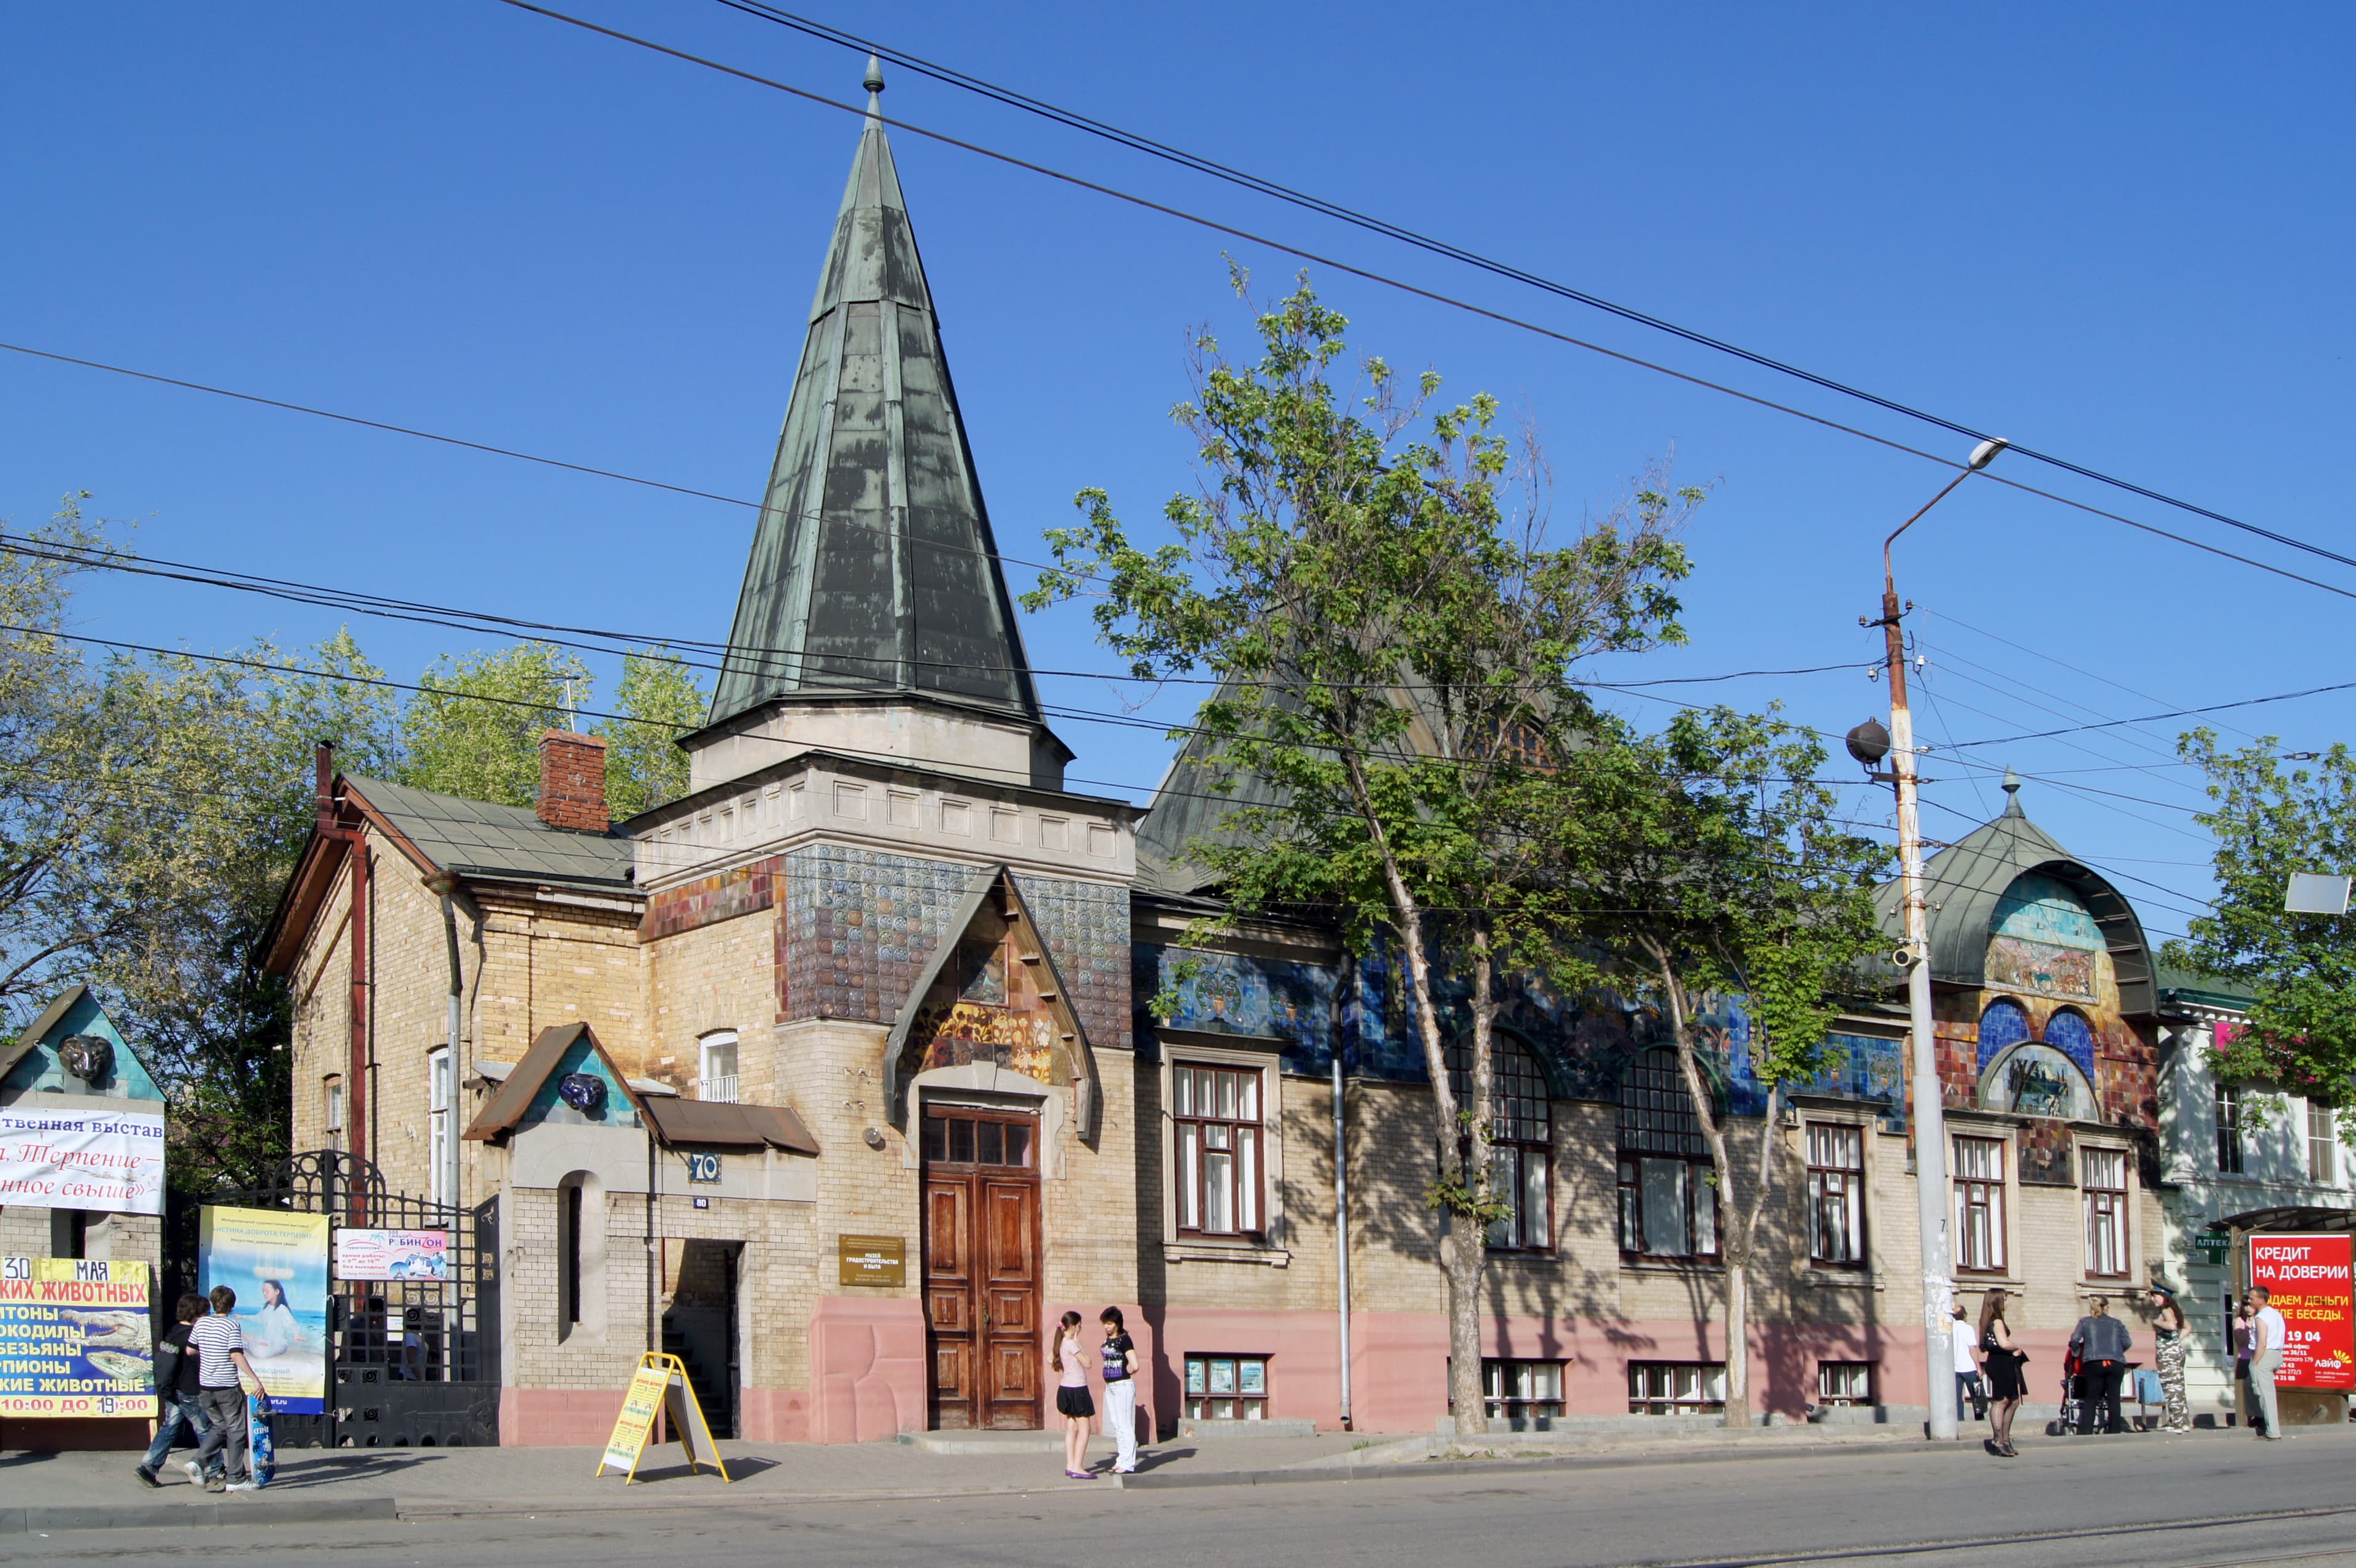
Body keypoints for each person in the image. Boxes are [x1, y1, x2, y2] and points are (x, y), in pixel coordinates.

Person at [134, 1294, 213, 1488]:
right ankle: (217, 1468)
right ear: (196, 1314)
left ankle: (149, 1467)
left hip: (173, 1390)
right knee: (205, 1429)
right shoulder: (192, 1336)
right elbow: (195, 1364)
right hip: (189, 1390)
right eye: (205, 1313)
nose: (208, 1316)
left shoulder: (175, 1331)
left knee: (169, 1428)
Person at [190, 1285, 261, 1493]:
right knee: (237, 1431)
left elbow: (190, 1349)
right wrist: (255, 1379)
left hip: (206, 1386)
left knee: (220, 1427)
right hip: (227, 1386)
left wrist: (208, 1350)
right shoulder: (231, 1325)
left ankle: (197, 1463)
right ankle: (236, 1478)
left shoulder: (201, 1323)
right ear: (232, 1305)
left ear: (213, 1303)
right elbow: (236, 1354)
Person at [2068, 1295, 2133, 1435]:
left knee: (2091, 1397)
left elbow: (2075, 1340)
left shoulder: (2085, 1322)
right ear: (2107, 1308)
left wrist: (2077, 1351)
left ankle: (2086, 1431)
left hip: (2094, 1362)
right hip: (2116, 1363)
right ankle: (2115, 1431)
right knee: (2114, 1398)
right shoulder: (2117, 1323)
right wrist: (2117, 1352)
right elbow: (2128, 1342)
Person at [1977, 1288, 2028, 1458]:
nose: (2007, 1303)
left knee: (2013, 1401)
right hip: (2000, 1364)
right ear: (1997, 1301)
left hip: (2002, 1362)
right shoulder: (1997, 1321)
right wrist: (2018, 1346)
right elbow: (2004, 1344)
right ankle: (1999, 1440)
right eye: (2005, 1299)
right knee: (2001, 1400)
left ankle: (2005, 1439)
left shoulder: (1989, 1320)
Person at [1053, 1310, 1096, 1480]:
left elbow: (1052, 1358)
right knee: (1086, 1429)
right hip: (1077, 1389)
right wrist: (1080, 1344)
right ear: (1073, 1327)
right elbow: (1088, 1363)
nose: (1081, 1328)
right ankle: (1078, 1466)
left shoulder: (1062, 1343)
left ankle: (1070, 1465)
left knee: (1072, 1427)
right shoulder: (1071, 1344)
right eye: (1079, 1325)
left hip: (1066, 1388)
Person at [1098, 1307, 1140, 1475]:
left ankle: (1129, 1463)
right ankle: (1121, 1458)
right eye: (1104, 1324)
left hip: (1123, 1385)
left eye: (1109, 1323)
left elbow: (1135, 1364)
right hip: (1110, 1386)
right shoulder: (1108, 1340)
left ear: (1117, 1323)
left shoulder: (1125, 1340)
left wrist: (1131, 1368)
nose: (1106, 1327)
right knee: (1117, 1424)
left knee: (1125, 1424)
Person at [2148, 1286, 2192, 1434]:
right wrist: (2176, 1342)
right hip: (2175, 1352)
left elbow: (2172, 1326)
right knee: (2178, 1387)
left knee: (2171, 1387)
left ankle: (2178, 1423)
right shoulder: (2175, 1311)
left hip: (2168, 1355)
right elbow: (2187, 1327)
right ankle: (2182, 1421)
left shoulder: (2166, 1311)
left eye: (2156, 1296)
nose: (2153, 1299)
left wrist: (2156, 1322)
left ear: (2164, 1297)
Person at [2249, 1284, 2287, 1441]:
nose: (2250, 1301)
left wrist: (2255, 1362)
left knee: (2266, 1396)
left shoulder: (2261, 1317)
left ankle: (2273, 1432)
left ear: (2261, 1300)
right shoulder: (2277, 1314)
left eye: (2252, 1298)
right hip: (2278, 1355)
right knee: (2266, 1392)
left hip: (2265, 1355)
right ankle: (2267, 1426)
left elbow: (2262, 1343)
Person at [245, 1278, 299, 1359]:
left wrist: (296, 1334)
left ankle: (251, 1340)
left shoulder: (282, 1309)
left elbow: (291, 1324)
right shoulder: (266, 1308)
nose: (264, 1294)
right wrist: (243, 1317)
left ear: (277, 1292)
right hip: (267, 1342)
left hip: (280, 1344)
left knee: (261, 1354)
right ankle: (254, 1341)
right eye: (263, 1291)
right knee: (260, 1349)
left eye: (267, 1291)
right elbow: (258, 1318)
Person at [1950, 1304, 1987, 1423]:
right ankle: (1980, 1419)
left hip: (1954, 1369)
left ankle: (1959, 1420)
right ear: (1965, 1316)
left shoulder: (1949, 1328)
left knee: (1957, 1397)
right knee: (1977, 1395)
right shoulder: (1968, 1329)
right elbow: (1972, 1348)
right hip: (1969, 1368)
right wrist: (1979, 1367)